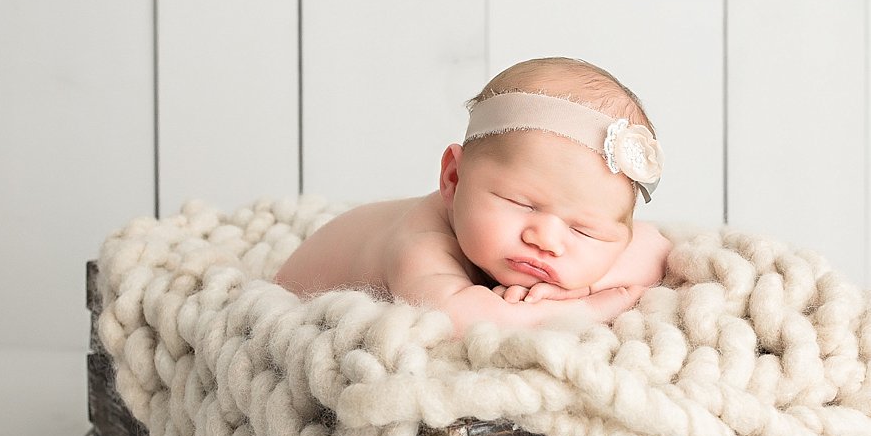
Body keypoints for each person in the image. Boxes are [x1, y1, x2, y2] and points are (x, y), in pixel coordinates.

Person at [274, 57, 673, 335]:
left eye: (584, 231)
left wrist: (578, 285)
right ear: (453, 177)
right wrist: (583, 308)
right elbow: (457, 321)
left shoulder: (595, 236)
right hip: (293, 298)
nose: (547, 240)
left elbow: (655, 248)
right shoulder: (420, 245)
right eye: (522, 204)